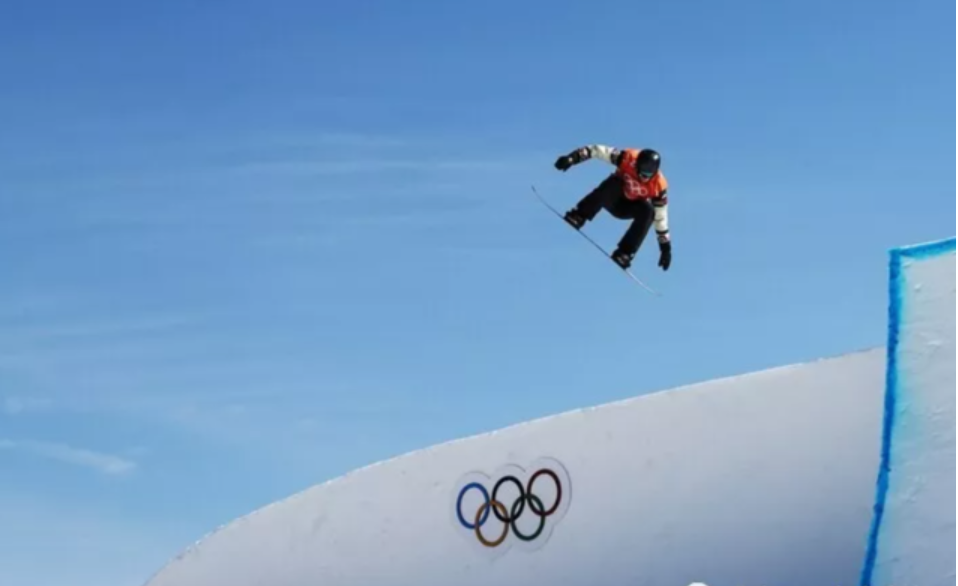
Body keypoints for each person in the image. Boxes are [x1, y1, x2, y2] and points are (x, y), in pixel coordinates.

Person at [554, 144, 672, 272]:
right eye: (641, 172)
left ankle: (625, 253)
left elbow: (661, 218)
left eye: (648, 174)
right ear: (636, 164)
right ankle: (579, 215)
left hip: (630, 208)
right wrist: (572, 158)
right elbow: (596, 151)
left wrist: (665, 248)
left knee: (649, 211)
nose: (644, 177)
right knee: (614, 183)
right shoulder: (627, 158)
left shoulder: (659, 186)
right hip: (613, 198)